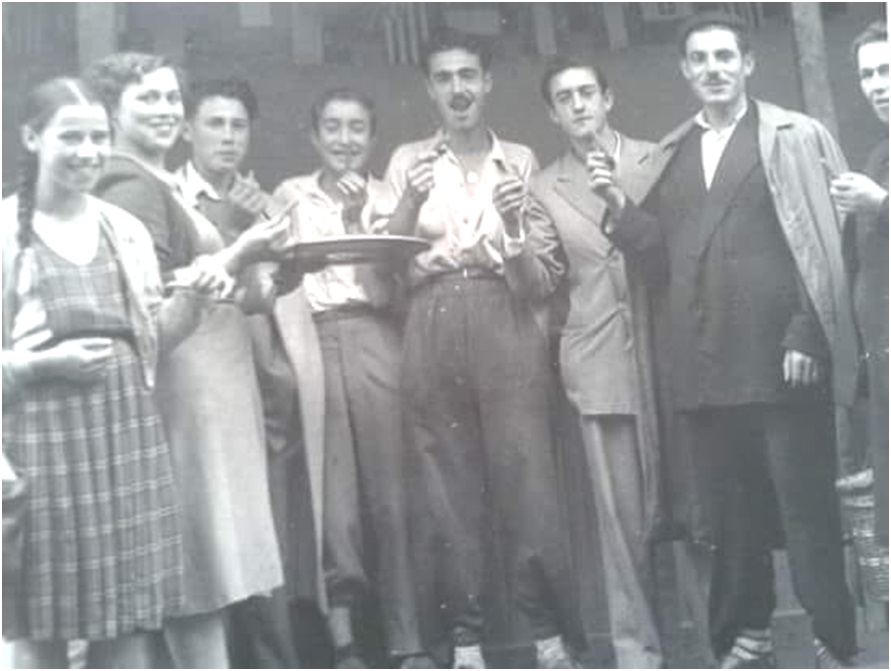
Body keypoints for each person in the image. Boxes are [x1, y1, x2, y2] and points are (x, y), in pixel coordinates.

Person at [594, 12, 859, 668]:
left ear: (747, 64)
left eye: (723, 56)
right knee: (728, 519)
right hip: (704, 366)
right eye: (698, 58)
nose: (712, 68)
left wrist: (806, 331)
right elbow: (660, 264)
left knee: (804, 513)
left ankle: (831, 640)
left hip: (783, 360)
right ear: (684, 70)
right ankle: (745, 636)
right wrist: (619, 210)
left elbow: (823, 240)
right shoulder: (671, 153)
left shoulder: (792, 137)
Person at [85, 52, 293, 668]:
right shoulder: (131, 185)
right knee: (194, 565)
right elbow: (148, 310)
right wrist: (244, 249)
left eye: (170, 98)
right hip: (184, 392)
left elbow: (192, 278)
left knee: (204, 569)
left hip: (211, 392)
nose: (164, 109)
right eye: (146, 99)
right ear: (112, 112)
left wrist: (254, 259)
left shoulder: (156, 182)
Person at [1, 76, 215, 668]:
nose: (88, 152)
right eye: (71, 137)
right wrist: (43, 365)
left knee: (126, 624)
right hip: (42, 453)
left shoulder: (122, 230)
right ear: (31, 137)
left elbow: (155, 337)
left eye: (99, 137)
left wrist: (195, 297)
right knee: (39, 629)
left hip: (125, 446)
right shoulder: (4, 234)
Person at [385, 31, 581, 669]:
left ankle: (549, 637)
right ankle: (464, 644)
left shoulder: (520, 158)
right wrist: (410, 201)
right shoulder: (406, 161)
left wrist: (517, 226)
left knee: (529, 480)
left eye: (468, 75)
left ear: (487, 82)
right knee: (445, 486)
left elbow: (537, 276)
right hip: (432, 318)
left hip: (506, 317)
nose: (458, 89)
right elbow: (381, 273)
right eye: (444, 78)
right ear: (430, 89)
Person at [273, 87, 431, 669]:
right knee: (333, 499)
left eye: (357, 128)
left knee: (393, 493)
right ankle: (344, 645)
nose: (345, 140)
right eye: (333, 127)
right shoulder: (290, 194)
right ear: (314, 136)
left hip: (375, 334)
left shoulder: (392, 194)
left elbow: (389, 285)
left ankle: (408, 640)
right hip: (313, 339)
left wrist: (356, 216)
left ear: (372, 136)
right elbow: (277, 274)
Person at [530, 56, 663, 668]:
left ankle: (720, 644)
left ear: (608, 98)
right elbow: (542, 280)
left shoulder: (657, 158)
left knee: (687, 508)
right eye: (565, 98)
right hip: (598, 358)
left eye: (588, 92)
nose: (579, 105)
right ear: (552, 113)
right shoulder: (545, 186)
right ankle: (639, 656)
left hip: (667, 356)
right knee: (619, 524)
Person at [175, 76, 307, 668]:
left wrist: (274, 246)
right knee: (200, 526)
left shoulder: (263, 202)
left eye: (238, 126)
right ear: (187, 129)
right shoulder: (170, 197)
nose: (228, 137)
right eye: (215, 123)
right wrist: (235, 231)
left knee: (258, 528)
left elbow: (270, 292)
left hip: (246, 373)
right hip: (188, 376)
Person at [831, 21, 888, 550]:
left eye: (886, 69)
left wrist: (883, 206)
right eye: (867, 73)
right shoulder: (878, 157)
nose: (877, 84)